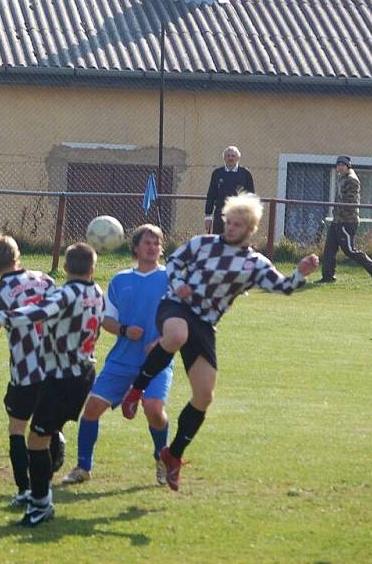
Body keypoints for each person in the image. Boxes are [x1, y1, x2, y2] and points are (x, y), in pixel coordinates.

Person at [121, 194, 319, 491]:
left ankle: (172, 455)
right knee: (175, 335)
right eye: (228, 222)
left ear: (250, 228)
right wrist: (177, 285)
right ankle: (136, 390)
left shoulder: (254, 264)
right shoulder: (203, 244)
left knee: (204, 396)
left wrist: (300, 273)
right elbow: (174, 260)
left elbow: (283, 286)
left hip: (204, 325)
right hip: (176, 306)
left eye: (237, 224)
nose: (230, 228)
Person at [0, 243, 104, 527]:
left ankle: (40, 504)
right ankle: (41, 489)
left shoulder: (66, 293)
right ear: (93, 268)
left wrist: (3, 317)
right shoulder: (97, 292)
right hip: (85, 371)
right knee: (43, 434)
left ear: (65, 267)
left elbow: (39, 310)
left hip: (62, 377)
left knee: (36, 440)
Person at [61, 224, 173, 487]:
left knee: (154, 409)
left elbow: (180, 317)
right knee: (92, 409)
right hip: (122, 359)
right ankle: (83, 467)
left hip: (157, 361)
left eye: (157, 243)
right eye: (147, 242)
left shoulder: (169, 279)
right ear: (135, 247)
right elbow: (106, 320)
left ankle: (162, 457)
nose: (152, 247)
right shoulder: (120, 280)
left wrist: (162, 339)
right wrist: (124, 330)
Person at [0, 235, 62, 508]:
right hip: (54, 364)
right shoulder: (45, 279)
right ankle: (49, 472)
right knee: (45, 425)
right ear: (17, 254)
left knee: (17, 429)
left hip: (24, 368)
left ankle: (24, 490)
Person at [318, 155, 372, 285]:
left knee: (349, 250)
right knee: (329, 249)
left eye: (342, 164)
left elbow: (351, 202)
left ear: (348, 166)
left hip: (347, 221)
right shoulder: (342, 178)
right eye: (338, 164)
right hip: (337, 220)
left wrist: (340, 212)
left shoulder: (352, 180)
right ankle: (328, 276)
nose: (340, 167)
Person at [204, 146, 255, 235]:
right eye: (228, 156)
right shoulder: (217, 173)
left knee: (236, 245)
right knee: (219, 244)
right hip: (220, 215)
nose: (230, 158)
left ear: (238, 158)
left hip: (239, 216)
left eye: (233, 156)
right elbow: (211, 195)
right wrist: (208, 216)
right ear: (224, 158)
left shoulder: (245, 174)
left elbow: (251, 197)